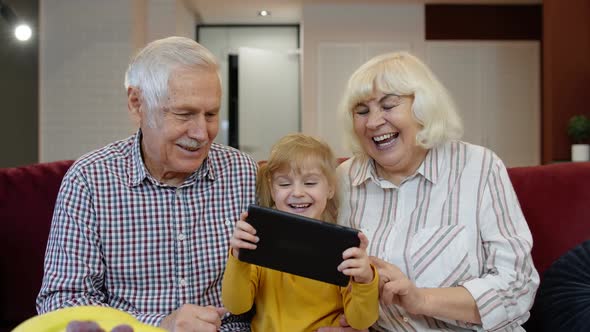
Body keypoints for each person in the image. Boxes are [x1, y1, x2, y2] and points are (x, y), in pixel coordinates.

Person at [36, 36, 257, 332]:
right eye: (184, 114)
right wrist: (161, 325)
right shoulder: (90, 180)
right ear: (137, 104)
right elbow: (61, 301)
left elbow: (282, 279)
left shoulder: (244, 173)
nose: (202, 133)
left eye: (211, 114)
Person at [336, 51, 539, 331]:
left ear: (423, 107)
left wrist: (420, 299)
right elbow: (329, 279)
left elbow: (518, 284)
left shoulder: (478, 167)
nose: (373, 122)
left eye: (388, 105)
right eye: (362, 111)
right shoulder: (342, 179)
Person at [221, 133, 379, 331]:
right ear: (271, 188)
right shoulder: (259, 240)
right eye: (284, 184)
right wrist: (238, 258)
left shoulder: (340, 247)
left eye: (310, 183)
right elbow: (236, 305)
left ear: (330, 188)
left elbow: (361, 321)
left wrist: (365, 279)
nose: (297, 193)